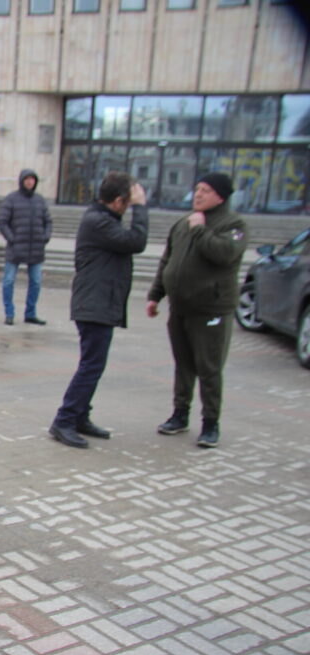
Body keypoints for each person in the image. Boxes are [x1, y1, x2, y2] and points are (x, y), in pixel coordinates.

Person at [146, 173, 248, 448]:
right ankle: (180, 414)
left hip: (211, 309)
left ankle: (210, 423)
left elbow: (224, 254)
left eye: (205, 190)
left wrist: (201, 230)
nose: (198, 194)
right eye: (197, 189)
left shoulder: (233, 225)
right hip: (180, 307)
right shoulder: (184, 223)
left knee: (209, 368)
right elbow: (167, 261)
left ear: (221, 196)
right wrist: (156, 295)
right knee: (183, 364)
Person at [49, 171, 148, 449]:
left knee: (93, 364)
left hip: (99, 303)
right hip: (94, 304)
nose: (130, 206)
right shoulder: (98, 221)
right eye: (129, 202)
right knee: (91, 366)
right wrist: (141, 208)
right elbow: (136, 241)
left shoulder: (103, 219)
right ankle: (65, 420)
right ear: (118, 201)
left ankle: (80, 416)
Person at [0, 168, 53, 325]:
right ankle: (9, 313)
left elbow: (48, 221)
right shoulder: (11, 199)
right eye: (27, 179)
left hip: (35, 249)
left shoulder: (40, 200)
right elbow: (3, 222)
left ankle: (30, 313)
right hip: (15, 248)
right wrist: (12, 239)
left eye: (32, 179)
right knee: (9, 281)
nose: (30, 182)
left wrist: (45, 237)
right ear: (22, 181)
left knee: (36, 281)